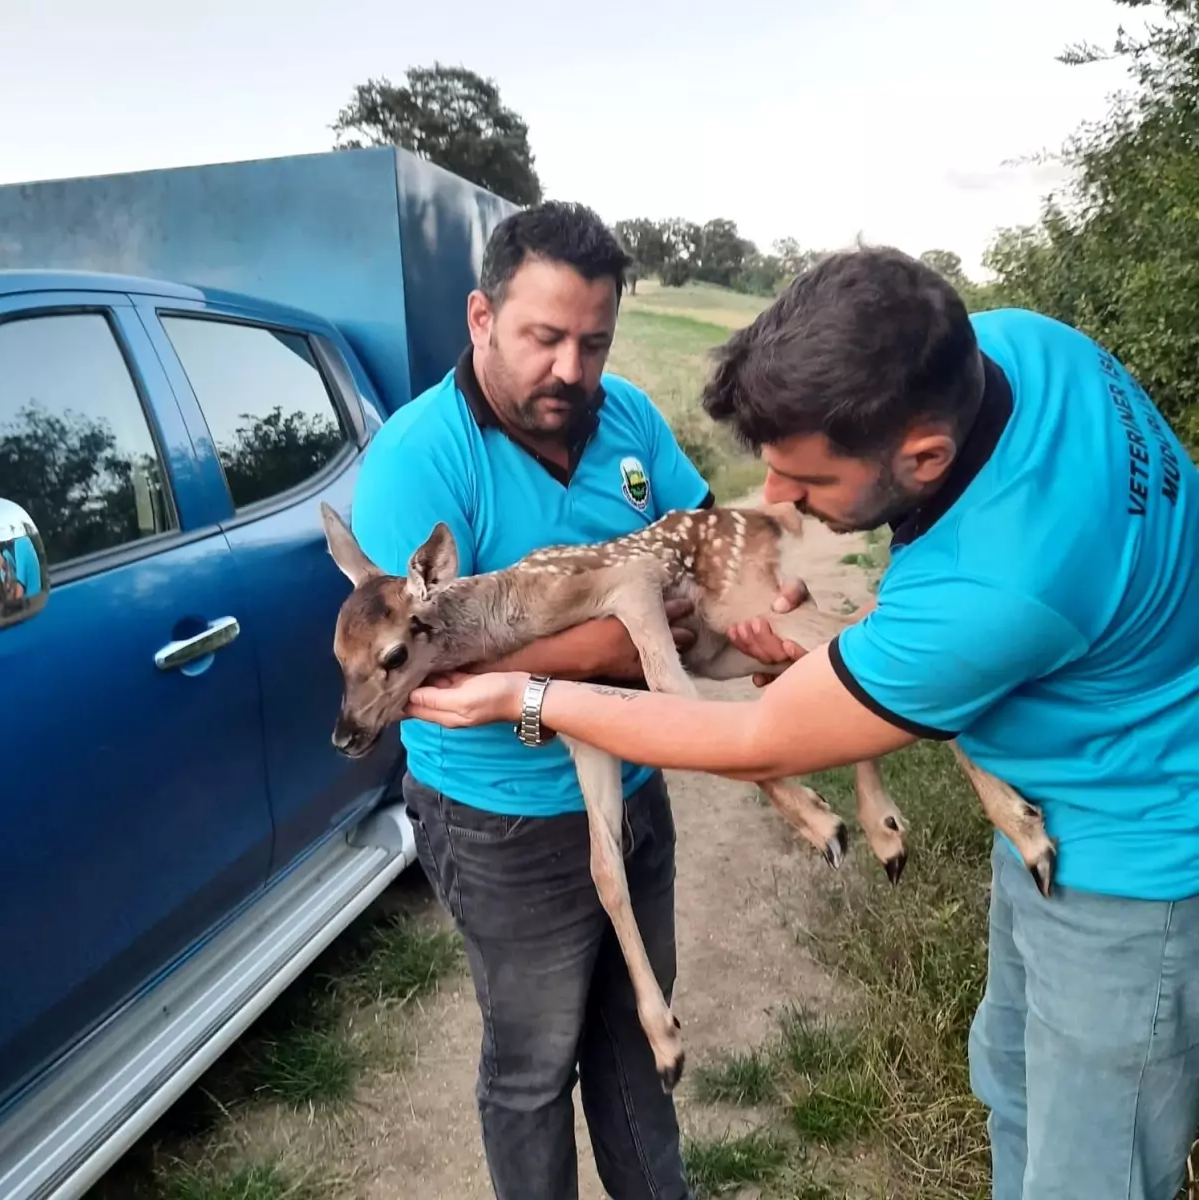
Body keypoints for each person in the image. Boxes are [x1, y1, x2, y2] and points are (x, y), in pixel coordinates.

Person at [405, 245, 1199, 1200]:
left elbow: (753, 740)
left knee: (1089, 1171)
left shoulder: (998, 584)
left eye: (808, 486)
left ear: (923, 457)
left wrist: (524, 696)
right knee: (1017, 1086)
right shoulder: (1018, 351)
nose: (775, 503)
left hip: (1134, 865)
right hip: (1061, 808)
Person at [350, 200, 800, 1200]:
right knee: (533, 1070)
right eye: (543, 338)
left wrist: (738, 599)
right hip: (503, 820)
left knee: (641, 1056)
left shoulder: (629, 416)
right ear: (480, 318)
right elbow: (434, 680)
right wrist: (622, 640)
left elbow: (692, 544)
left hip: (633, 780)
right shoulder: (417, 466)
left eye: (592, 342)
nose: (570, 370)